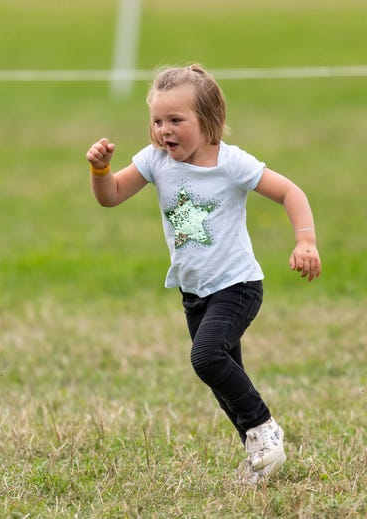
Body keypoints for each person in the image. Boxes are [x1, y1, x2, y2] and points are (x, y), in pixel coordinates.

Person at [85, 64, 321, 484]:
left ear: (208, 121)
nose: (163, 130)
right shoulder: (155, 160)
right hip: (195, 293)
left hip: (238, 285)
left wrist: (305, 241)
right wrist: (101, 171)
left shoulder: (231, 163)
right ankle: (258, 458)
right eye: (157, 121)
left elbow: (290, 192)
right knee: (223, 379)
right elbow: (112, 197)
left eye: (176, 120)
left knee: (206, 358)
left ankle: (264, 427)